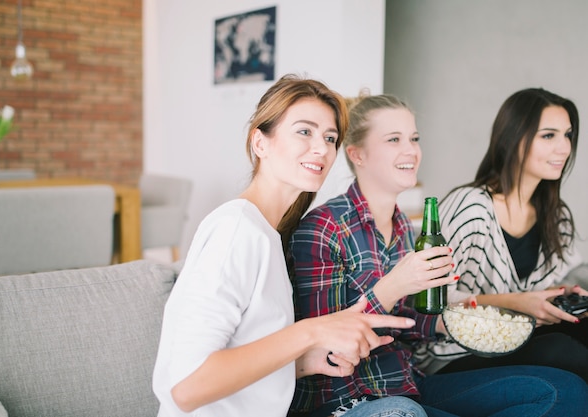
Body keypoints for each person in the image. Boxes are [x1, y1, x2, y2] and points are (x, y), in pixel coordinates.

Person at [288, 92, 588, 417]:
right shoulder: (323, 228)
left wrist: (456, 321)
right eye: (394, 139)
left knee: (565, 392)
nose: (411, 150)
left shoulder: (402, 225)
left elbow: (408, 323)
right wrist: (395, 285)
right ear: (357, 154)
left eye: (414, 138)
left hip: (408, 383)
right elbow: (326, 345)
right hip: (353, 399)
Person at [151, 74, 426, 417]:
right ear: (260, 143)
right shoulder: (237, 230)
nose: (322, 148)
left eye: (330, 138)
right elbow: (187, 388)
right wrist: (310, 332)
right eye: (304, 131)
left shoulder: (269, 234)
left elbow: (243, 363)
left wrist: (304, 362)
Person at [434, 87, 588, 381]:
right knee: (564, 352)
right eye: (548, 135)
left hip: (516, 342)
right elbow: (430, 298)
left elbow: (551, 286)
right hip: (454, 354)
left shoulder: (556, 216)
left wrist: (560, 296)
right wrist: (517, 302)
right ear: (513, 138)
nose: (564, 148)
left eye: (567, 135)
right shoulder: (470, 207)